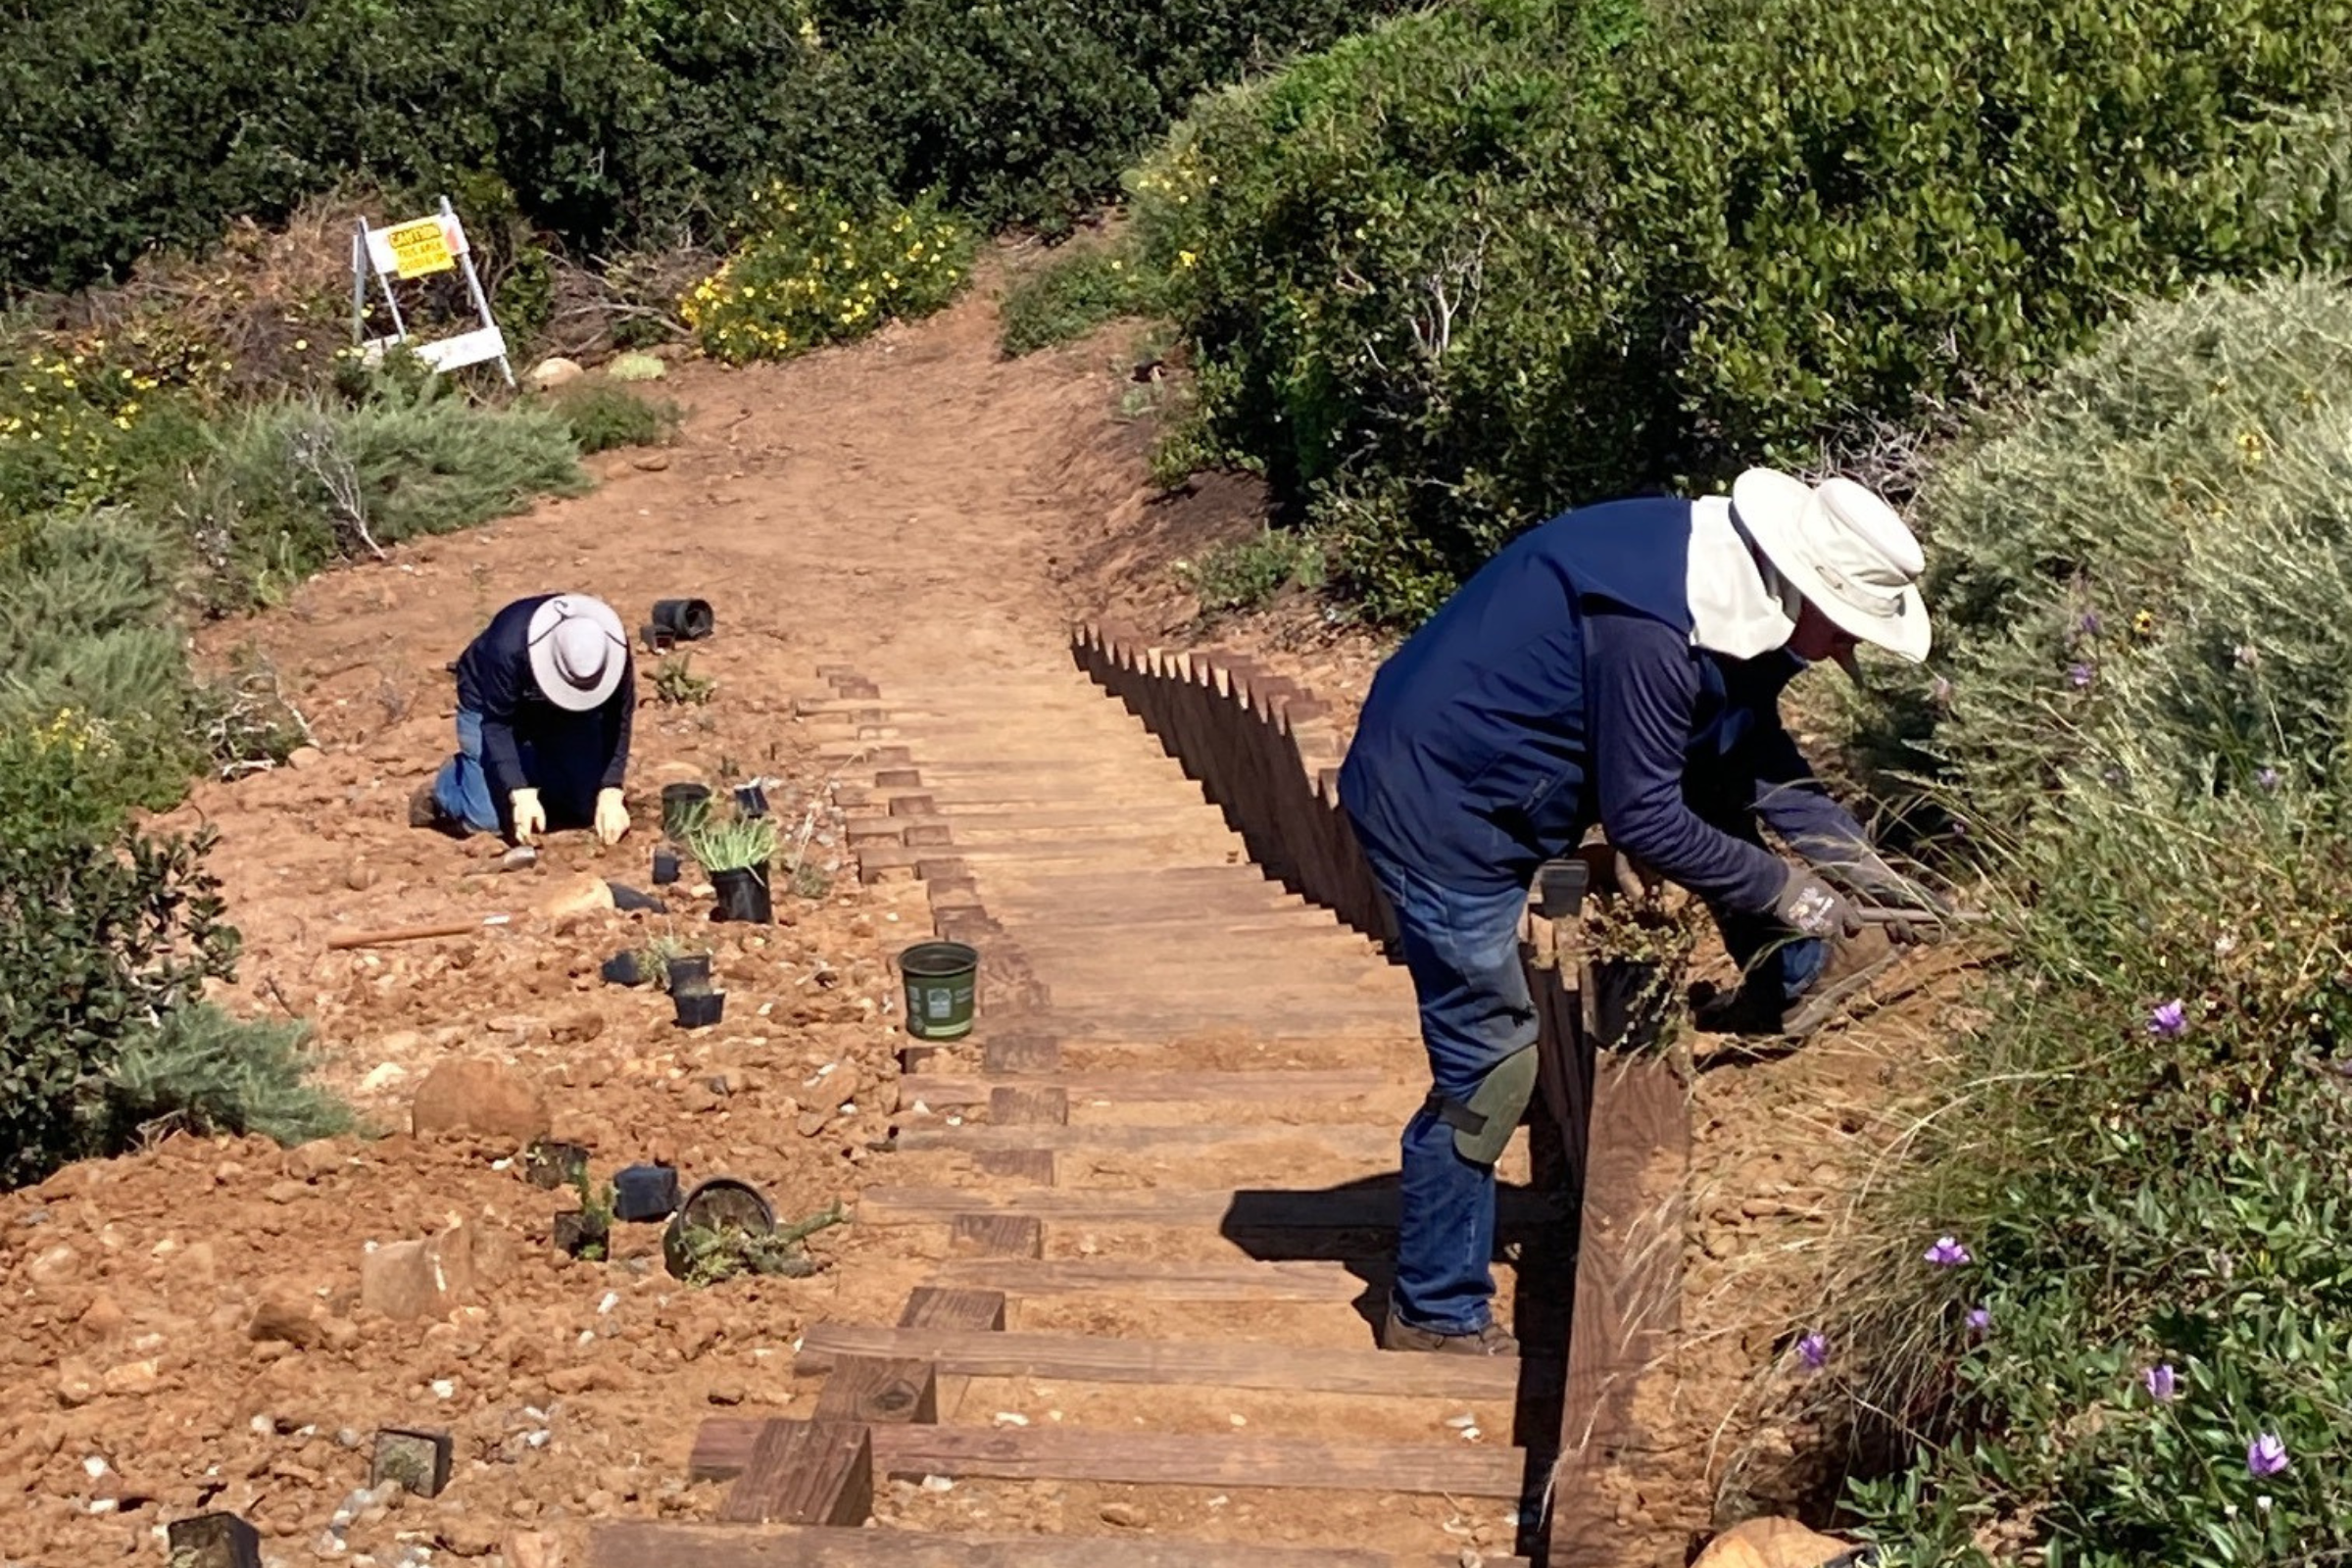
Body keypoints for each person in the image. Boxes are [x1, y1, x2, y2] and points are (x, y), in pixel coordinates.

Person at [1338, 468, 1951, 1356]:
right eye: (1851, 626)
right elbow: (1645, 818)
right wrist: (1799, 895)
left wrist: (1876, 881)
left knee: (1715, 774)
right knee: (1494, 1058)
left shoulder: (1734, 590)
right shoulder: (1655, 631)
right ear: (1808, 587)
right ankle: (1434, 1304)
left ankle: (1795, 979)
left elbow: (1744, 753)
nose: (1850, 648)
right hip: (1437, 804)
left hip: (1503, 781)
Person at [412, 593, 636, 848]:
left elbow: (620, 717)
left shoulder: (609, 648)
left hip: (568, 713)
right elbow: (496, 724)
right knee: (487, 822)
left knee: (585, 807)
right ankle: (449, 783)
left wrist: (611, 789)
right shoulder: (507, 647)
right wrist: (518, 791)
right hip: (490, 703)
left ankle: (531, 767)